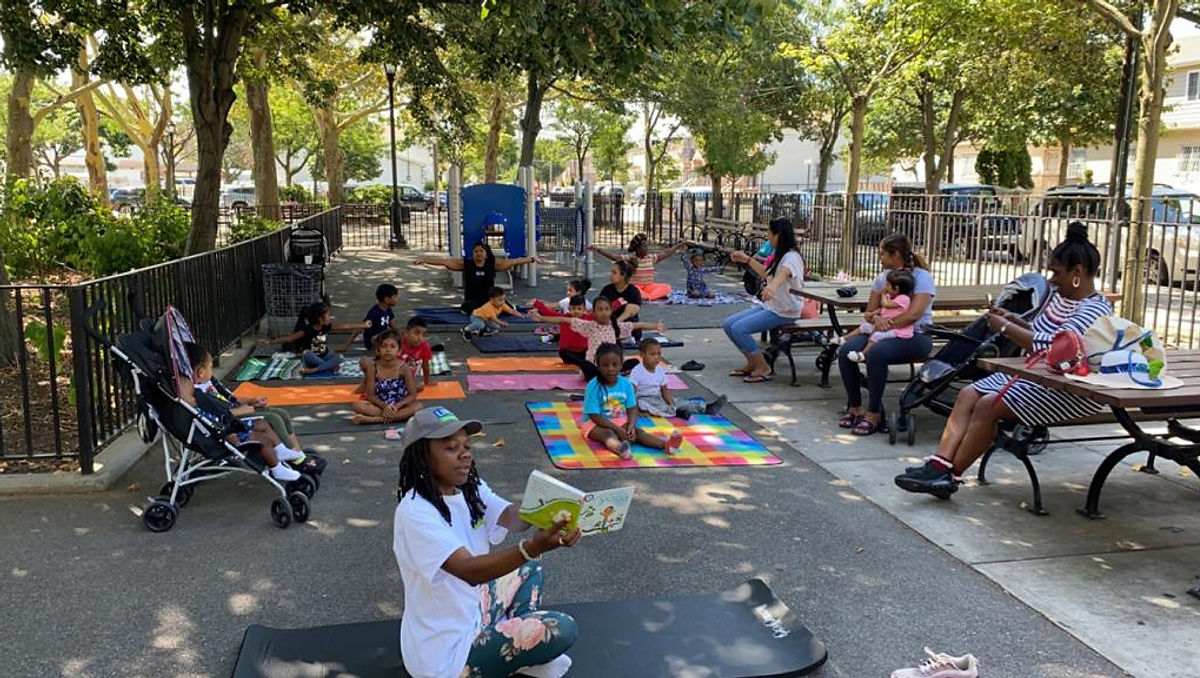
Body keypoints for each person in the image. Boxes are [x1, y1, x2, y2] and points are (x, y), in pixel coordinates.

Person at [895, 222, 1112, 499]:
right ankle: (940, 464)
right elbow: (1040, 328)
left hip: (1066, 386)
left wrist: (1005, 328)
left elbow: (1056, 345)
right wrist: (1014, 319)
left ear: (1078, 273)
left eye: (1057, 272)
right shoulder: (1060, 297)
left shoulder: (1094, 309)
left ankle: (949, 476)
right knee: (968, 393)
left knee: (988, 405)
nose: (1052, 279)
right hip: (1035, 375)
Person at [394, 407, 580, 678]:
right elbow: (470, 571)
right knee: (562, 628)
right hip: (446, 656)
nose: (465, 453)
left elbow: (511, 517)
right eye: (450, 447)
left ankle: (516, 644)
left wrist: (551, 512)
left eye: (467, 445)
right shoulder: (415, 512)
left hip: (474, 612)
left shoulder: (469, 487)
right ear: (422, 456)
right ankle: (517, 651)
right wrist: (533, 546)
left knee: (530, 568)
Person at [835, 233, 938, 436]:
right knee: (846, 350)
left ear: (896, 254)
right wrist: (876, 319)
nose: (879, 258)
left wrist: (886, 324)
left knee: (877, 353)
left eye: (883, 254)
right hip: (882, 330)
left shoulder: (922, 277)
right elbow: (870, 312)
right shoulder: (882, 278)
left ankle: (874, 412)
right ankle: (855, 406)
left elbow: (914, 314)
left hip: (915, 335)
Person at [179, 343, 301, 481]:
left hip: (230, 418)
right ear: (200, 372)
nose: (212, 371)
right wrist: (241, 412)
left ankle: (281, 450)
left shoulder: (204, 385)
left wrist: (249, 401)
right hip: (225, 428)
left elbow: (228, 400)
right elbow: (213, 417)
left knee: (262, 423)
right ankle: (277, 468)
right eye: (211, 367)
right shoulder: (197, 395)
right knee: (264, 438)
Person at [723, 218, 807, 384]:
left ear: (778, 235)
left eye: (769, 232)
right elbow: (766, 273)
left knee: (740, 329)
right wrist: (747, 259)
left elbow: (785, 273)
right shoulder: (779, 254)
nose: (767, 236)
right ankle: (752, 362)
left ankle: (763, 367)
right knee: (728, 324)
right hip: (772, 306)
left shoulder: (792, 257)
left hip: (785, 310)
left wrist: (772, 287)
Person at [583, 343, 683, 460]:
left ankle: (667, 445)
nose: (610, 369)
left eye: (615, 364)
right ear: (598, 366)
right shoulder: (593, 386)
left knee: (638, 433)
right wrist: (617, 429)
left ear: (621, 365)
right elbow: (594, 415)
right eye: (605, 365)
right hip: (594, 423)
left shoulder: (626, 383)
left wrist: (631, 425)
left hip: (619, 420)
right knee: (608, 434)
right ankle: (620, 449)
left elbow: (632, 407)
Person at [531, 296, 664, 382]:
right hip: (596, 367)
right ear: (593, 313)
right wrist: (542, 318)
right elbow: (563, 319)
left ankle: (614, 374)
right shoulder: (589, 326)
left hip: (613, 366)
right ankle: (607, 376)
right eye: (600, 310)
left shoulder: (616, 327)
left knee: (634, 361)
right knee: (585, 365)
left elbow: (638, 325)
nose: (603, 312)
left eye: (606, 309)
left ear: (611, 311)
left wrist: (655, 326)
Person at [416, 242, 543, 314]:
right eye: (476, 251)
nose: (478, 253)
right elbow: (444, 262)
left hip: (491, 300)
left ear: (486, 254)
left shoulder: (494, 264)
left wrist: (532, 259)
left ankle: (536, 309)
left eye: (481, 251)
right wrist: (425, 260)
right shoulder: (466, 264)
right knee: (469, 309)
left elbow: (515, 261)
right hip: (472, 301)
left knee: (508, 309)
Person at [628, 338, 726, 420]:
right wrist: (636, 410)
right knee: (650, 406)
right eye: (652, 354)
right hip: (643, 400)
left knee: (679, 402)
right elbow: (632, 394)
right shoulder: (637, 371)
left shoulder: (660, 370)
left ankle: (706, 408)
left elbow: (664, 391)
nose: (656, 357)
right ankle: (677, 412)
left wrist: (671, 403)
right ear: (642, 354)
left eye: (659, 354)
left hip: (658, 398)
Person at [259, 302, 366, 375]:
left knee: (340, 357)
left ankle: (315, 370)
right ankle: (326, 367)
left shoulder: (326, 327)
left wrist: (363, 325)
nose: (330, 317)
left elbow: (344, 326)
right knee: (307, 353)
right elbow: (289, 339)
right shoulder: (306, 330)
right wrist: (269, 342)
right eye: (328, 315)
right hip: (311, 360)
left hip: (323, 358)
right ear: (320, 319)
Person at [843, 269, 916, 363]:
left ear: (896, 288)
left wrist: (883, 294)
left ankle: (863, 354)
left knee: (877, 336)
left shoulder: (904, 299)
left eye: (888, 285)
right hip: (884, 325)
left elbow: (886, 305)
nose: (886, 287)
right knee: (865, 326)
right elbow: (882, 309)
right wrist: (873, 314)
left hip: (898, 330)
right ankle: (844, 338)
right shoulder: (893, 297)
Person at [352, 330, 420, 425]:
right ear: (378, 350)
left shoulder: (404, 368)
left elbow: (412, 395)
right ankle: (393, 417)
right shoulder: (373, 367)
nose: (388, 350)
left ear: (399, 350)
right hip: (379, 405)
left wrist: (396, 406)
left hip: (399, 406)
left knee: (418, 407)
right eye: (384, 346)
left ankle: (375, 420)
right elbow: (370, 395)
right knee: (358, 406)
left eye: (392, 346)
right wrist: (385, 407)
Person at [589, 233, 687, 287]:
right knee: (634, 291)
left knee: (666, 288)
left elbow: (667, 252)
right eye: (643, 247)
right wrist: (598, 249)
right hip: (636, 287)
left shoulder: (651, 258)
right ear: (637, 248)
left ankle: (648, 295)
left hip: (649, 287)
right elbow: (614, 257)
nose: (646, 249)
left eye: (646, 246)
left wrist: (678, 245)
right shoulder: (631, 258)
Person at [531, 295, 591, 368]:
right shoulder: (564, 318)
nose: (576, 311)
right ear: (569, 308)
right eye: (573, 308)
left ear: (584, 309)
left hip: (583, 351)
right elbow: (550, 314)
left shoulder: (588, 318)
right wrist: (537, 304)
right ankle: (581, 363)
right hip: (568, 351)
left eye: (579, 309)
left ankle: (581, 362)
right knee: (562, 352)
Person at [597, 260, 644, 339]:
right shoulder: (606, 290)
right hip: (608, 324)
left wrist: (613, 324)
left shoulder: (633, 291)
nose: (611, 275)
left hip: (627, 327)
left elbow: (628, 313)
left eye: (614, 272)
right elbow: (599, 308)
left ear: (623, 275)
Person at [361, 283, 401, 351]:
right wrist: (346, 345)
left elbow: (394, 326)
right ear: (386, 299)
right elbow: (359, 328)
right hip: (373, 342)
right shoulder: (374, 312)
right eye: (395, 296)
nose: (397, 298)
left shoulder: (388, 310)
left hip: (384, 337)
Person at [400, 317, 434, 392]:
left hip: (407, 379)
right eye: (416, 333)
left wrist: (426, 381)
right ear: (406, 333)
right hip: (392, 376)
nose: (420, 338)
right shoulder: (397, 344)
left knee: (420, 386)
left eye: (424, 335)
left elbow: (425, 365)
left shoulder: (425, 346)